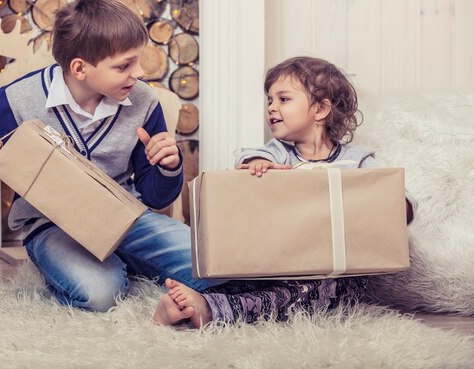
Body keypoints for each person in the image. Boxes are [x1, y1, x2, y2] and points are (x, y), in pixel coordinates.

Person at [0, 0, 222, 312]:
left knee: (215, 265)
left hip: (127, 218)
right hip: (51, 226)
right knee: (100, 295)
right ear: (80, 68)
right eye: (124, 65)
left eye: (138, 59)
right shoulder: (15, 100)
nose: (139, 73)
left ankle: (124, 260)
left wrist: (167, 166)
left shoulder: (145, 101)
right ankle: (106, 267)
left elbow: (156, 198)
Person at [153, 56, 416, 328]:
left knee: (319, 292)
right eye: (269, 100)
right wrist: (256, 166)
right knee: (243, 279)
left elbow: (393, 196)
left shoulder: (356, 160)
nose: (272, 108)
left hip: (334, 273)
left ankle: (209, 309)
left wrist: (397, 206)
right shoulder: (276, 153)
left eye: (283, 99)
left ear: (321, 109)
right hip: (277, 263)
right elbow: (249, 158)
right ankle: (190, 303)